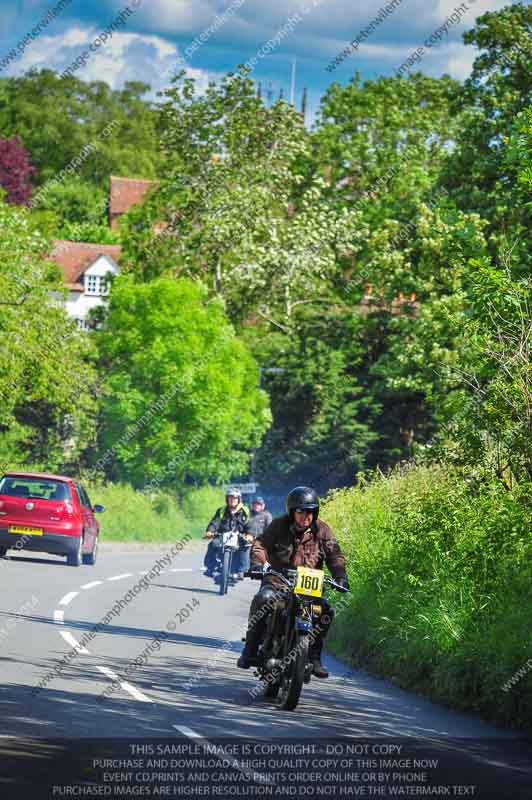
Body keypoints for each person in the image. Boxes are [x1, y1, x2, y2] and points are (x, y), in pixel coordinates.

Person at [237, 486, 349, 679]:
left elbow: (334, 554)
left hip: (307, 587)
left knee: (325, 610)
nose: (306, 516)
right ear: (292, 511)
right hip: (278, 579)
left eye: (311, 511)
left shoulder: (322, 529)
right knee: (263, 599)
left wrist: (340, 576)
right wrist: (257, 564)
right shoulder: (279, 525)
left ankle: (314, 657)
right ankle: (250, 648)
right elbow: (260, 545)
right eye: (301, 511)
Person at [203, 488, 250, 579]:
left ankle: (241, 571)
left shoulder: (245, 511)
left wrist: (249, 534)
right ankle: (210, 568)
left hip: (239, 537)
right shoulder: (222, 510)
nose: (232, 500)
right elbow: (215, 522)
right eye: (230, 498)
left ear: (239, 499)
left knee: (246, 545)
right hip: (223, 536)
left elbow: (250, 524)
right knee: (213, 544)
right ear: (227, 499)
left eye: (235, 498)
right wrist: (210, 531)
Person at [240, 497, 273, 575]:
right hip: (246, 538)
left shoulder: (266, 515)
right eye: (255, 504)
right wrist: (244, 535)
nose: (256, 506)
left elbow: (271, 529)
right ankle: (241, 567)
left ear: (263, 506)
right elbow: (240, 526)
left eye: (258, 504)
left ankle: (258, 566)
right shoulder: (247, 514)